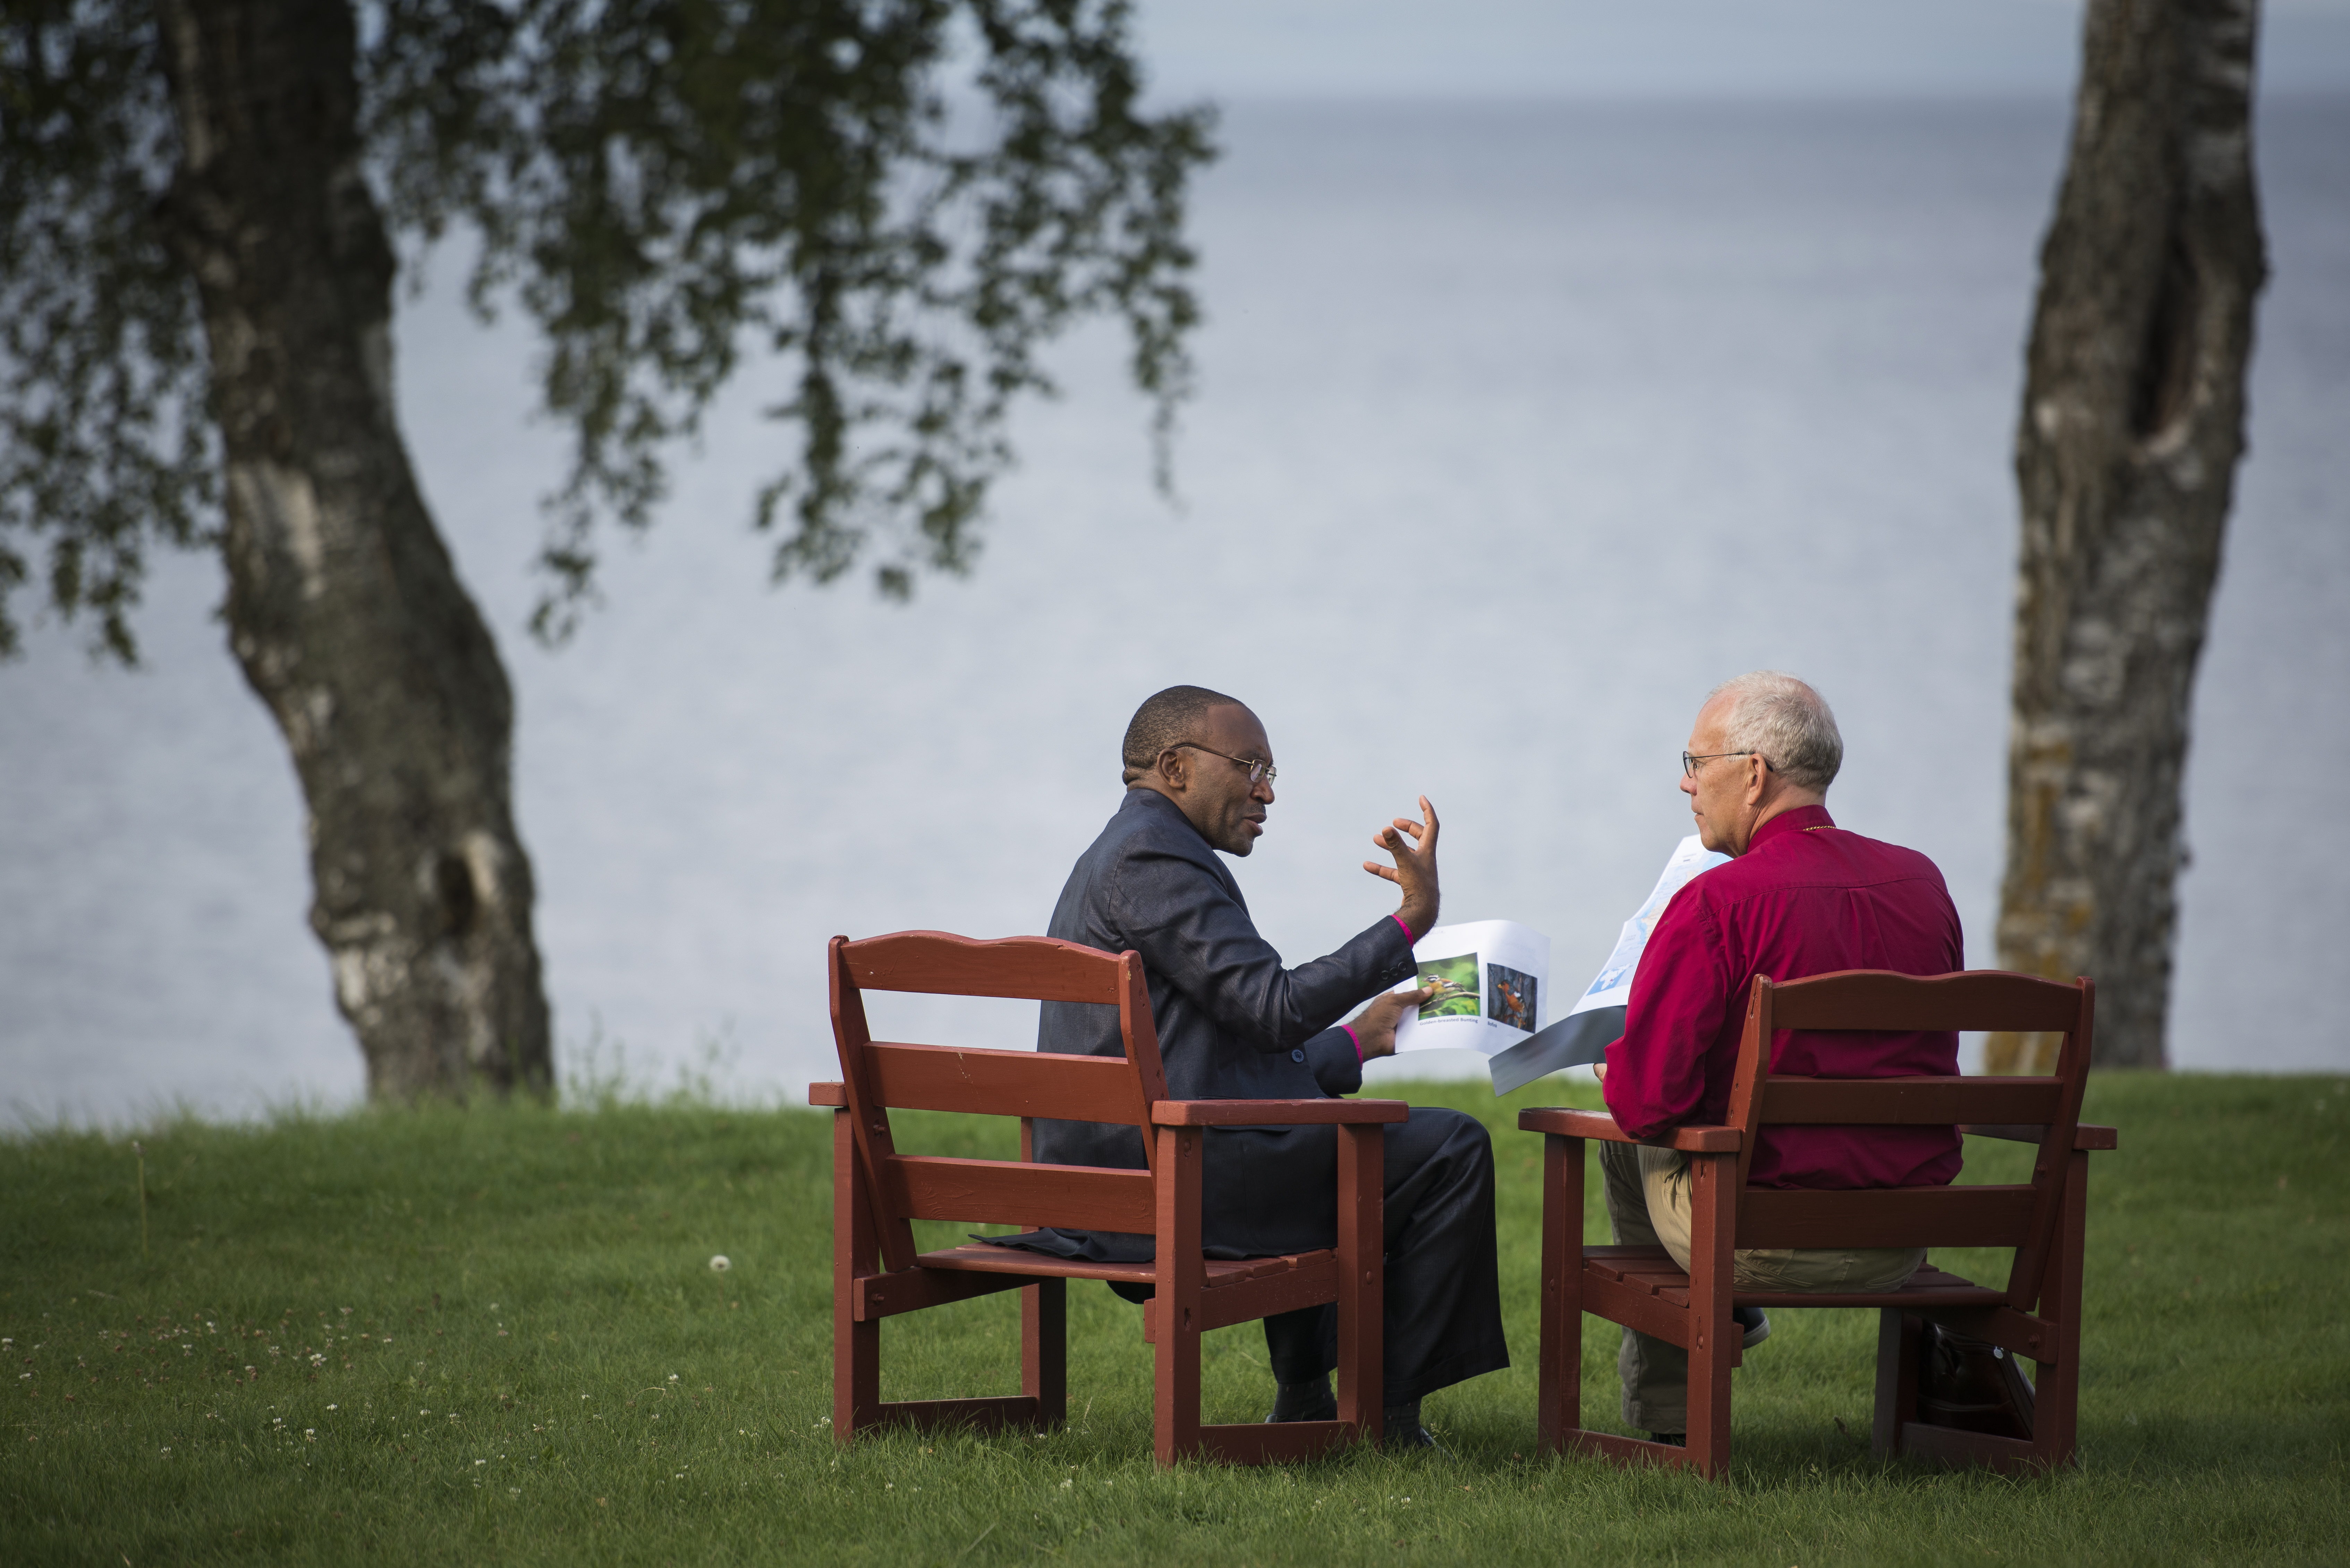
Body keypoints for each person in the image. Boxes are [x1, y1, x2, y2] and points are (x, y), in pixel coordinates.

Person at [1000, 684, 1509, 1447]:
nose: (1268, 790)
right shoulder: (1152, 858)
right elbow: (1270, 1008)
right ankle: (1388, 1413)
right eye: (1251, 766)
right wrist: (1411, 920)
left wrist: (1355, 1042)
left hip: (1129, 1171)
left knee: (1318, 1139)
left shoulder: (1128, 852)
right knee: (1450, 1148)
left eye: (1272, 770)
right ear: (1175, 767)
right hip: (1161, 1187)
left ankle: (1307, 1397)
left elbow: (1229, 1035)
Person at [1595, 671, 1966, 1445]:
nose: (1686, 782)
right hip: (1900, 1239)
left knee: (1617, 1142)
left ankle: (1669, 1416)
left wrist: (1614, 1072)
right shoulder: (1924, 885)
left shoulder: (1717, 903)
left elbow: (1648, 1105)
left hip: (1758, 1240)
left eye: (1697, 763)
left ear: (1755, 774)